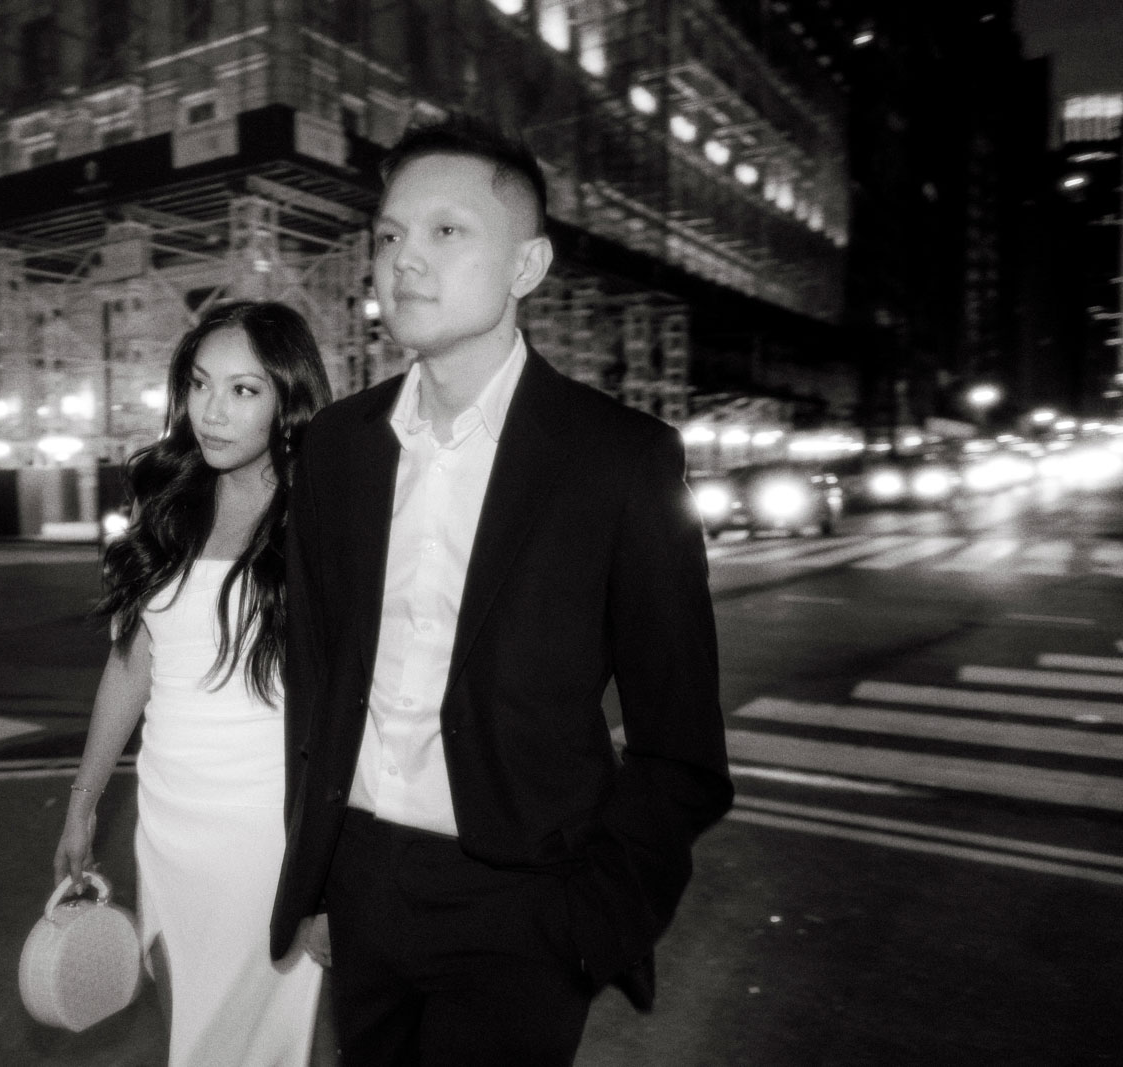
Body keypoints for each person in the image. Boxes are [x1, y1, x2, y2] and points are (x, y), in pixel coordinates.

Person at [270, 118, 735, 1066]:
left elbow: (681, 745)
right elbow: (318, 681)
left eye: (449, 232)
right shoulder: (337, 447)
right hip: (362, 884)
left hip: (523, 902)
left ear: (527, 265)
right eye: (391, 235)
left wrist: (588, 920)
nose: (406, 260)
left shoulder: (617, 459)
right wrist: (318, 875)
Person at [55, 300, 334, 1066]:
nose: (211, 411)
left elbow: (358, 703)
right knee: (186, 1023)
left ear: (288, 398)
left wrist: (333, 875)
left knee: (246, 1042)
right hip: (168, 825)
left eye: (244, 390)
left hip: (268, 839)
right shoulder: (167, 501)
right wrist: (84, 803)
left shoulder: (324, 517)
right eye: (201, 384)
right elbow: (132, 665)